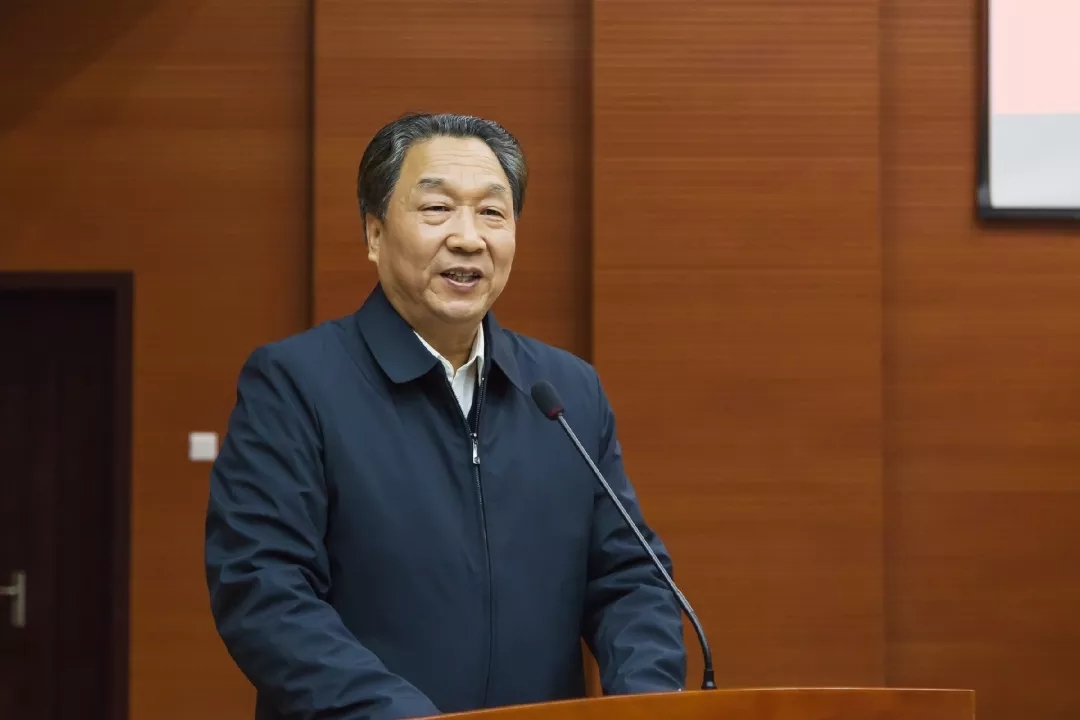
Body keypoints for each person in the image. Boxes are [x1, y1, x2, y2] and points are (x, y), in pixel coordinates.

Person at [204, 112, 686, 720]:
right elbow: (264, 590)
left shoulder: (566, 392)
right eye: (437, 209)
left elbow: (630, 577)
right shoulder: (296, 383)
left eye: (492, 212)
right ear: (374, 233)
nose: (468, 238)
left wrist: (646, 703)